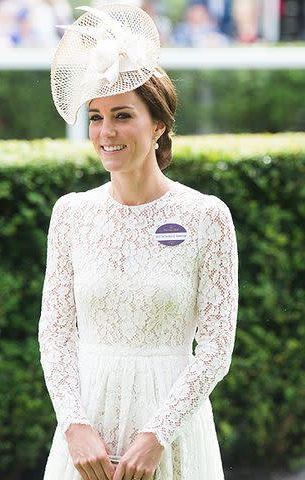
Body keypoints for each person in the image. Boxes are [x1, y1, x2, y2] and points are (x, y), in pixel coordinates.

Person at [38, 3, 239, 480]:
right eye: (96, 116)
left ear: (159, 125)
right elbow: (55, 335)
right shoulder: (70, 214)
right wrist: (74, 425)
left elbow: (215, 347)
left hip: (172, 434)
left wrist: (157, 436)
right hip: (87, 435)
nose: (106, 132)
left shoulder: (207, 215)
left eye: (123, 115)